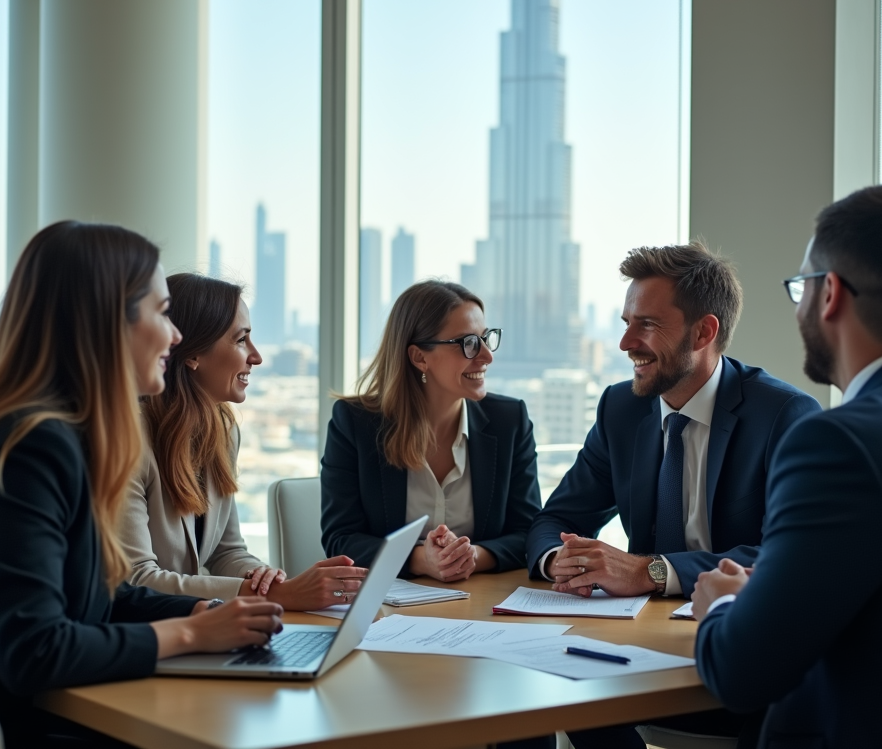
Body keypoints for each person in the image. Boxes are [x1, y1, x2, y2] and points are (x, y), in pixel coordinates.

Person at [0, 222, 283, 749]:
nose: (174, 335)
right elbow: (34, 650)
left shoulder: (66, 433)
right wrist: (192, 634)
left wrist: (200, 611)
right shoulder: (26, 444)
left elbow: (96, 594)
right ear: (108, 322)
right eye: (161, 313)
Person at [525, 243, 819, 749]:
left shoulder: (785, 416)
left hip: (731, 652)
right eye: (625, 321)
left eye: (647, 325)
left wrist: (650, 571)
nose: (624, 343)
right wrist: (560, 561)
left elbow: (788, 555)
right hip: (639, 645)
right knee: (551, 691)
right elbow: (556, 516)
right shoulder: (621, 408)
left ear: (704, 331)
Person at [692, 183, 882, 749]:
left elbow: (743, 672)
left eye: (800, 287)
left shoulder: (838, 443)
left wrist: (720, 603)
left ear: (830, 295)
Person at [122, 273, 367, 611]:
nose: (256, 356)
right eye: (241, 340)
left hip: (198, 626)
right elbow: (135, 578)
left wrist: (264, 579)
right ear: (193, 354)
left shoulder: (222, 431)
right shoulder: (129, 438)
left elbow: (226, 551)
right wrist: (275, 595)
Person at [321, 280, 542, 582]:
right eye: (468, 343)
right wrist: (420, 560)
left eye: (485, 339)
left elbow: (528, 531)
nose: (487, 356)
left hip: (481, 604)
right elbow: (340, 538)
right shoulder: (355, 423)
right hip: (389, 611)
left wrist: (472, 557)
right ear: (419, 357)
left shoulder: (509, 421)